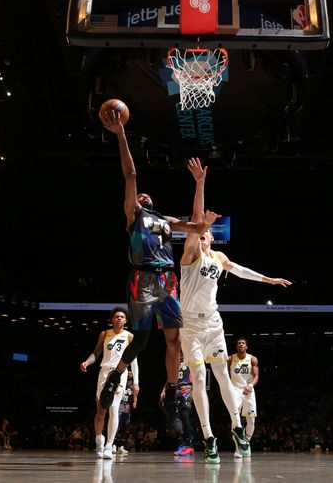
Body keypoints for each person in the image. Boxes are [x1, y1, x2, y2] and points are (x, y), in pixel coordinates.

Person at [97, 108, 218, 437]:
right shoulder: (134, 215)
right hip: (143, 278)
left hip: (167, 280)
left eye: (145, 195)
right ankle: (116, 376)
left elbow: (197, 224)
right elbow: (130, 175)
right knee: (141, 340)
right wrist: (121, 134)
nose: (143, 194)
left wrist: (200, 183)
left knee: (174, 340)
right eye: (139, 195)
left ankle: (172, 396)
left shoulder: (164, 221)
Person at [179, 157, 291, 462]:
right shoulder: (191, 254)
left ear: (212, 237)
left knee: (221, 376)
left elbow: (240, 270)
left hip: (214, 324)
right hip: (190, 327)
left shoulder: (218, 258)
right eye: (200, 231)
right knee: (199, 379)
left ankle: (237, 428)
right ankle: (208, 438)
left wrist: (268, 279)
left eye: (206, 232)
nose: (202, 234)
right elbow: (196, 219)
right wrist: (200, 183)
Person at [81, 307, 139, 459]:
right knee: (101, 410)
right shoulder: (105, 334)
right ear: (112, 319)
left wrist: (136, 382)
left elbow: (134, 361)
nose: (119, 318)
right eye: (117, 316)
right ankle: (99, 439)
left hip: (120, 373)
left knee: (114, 408)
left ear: (125, 321)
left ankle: (109, 445)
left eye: (122, 317)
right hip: (104, 372)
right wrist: (87, 362)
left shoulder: (129, 336)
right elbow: (96, 352)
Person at [160, 352, 195, 457]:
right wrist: (164, 389)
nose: (179, 354)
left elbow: (198, 375)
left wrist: (192, 390)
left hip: (186, 390)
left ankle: (189, 445)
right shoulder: (174, 362)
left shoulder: (190, 360)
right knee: (175, 417)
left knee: (184, 414)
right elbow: (170, 378)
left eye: (181, 352)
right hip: (175, 390)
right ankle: (182, 444)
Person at [230, 338, 259, 446]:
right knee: (234, 417)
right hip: (235, 390)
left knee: (251, 420)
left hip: (248, 389)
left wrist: (250, 386)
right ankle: (237, 444)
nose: (241, 344)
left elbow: (256, 376)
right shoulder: (230, 358)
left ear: (246, 346)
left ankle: (246, 443)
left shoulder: (252, 359)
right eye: (239, 343)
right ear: (236, 346)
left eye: (243, 343)